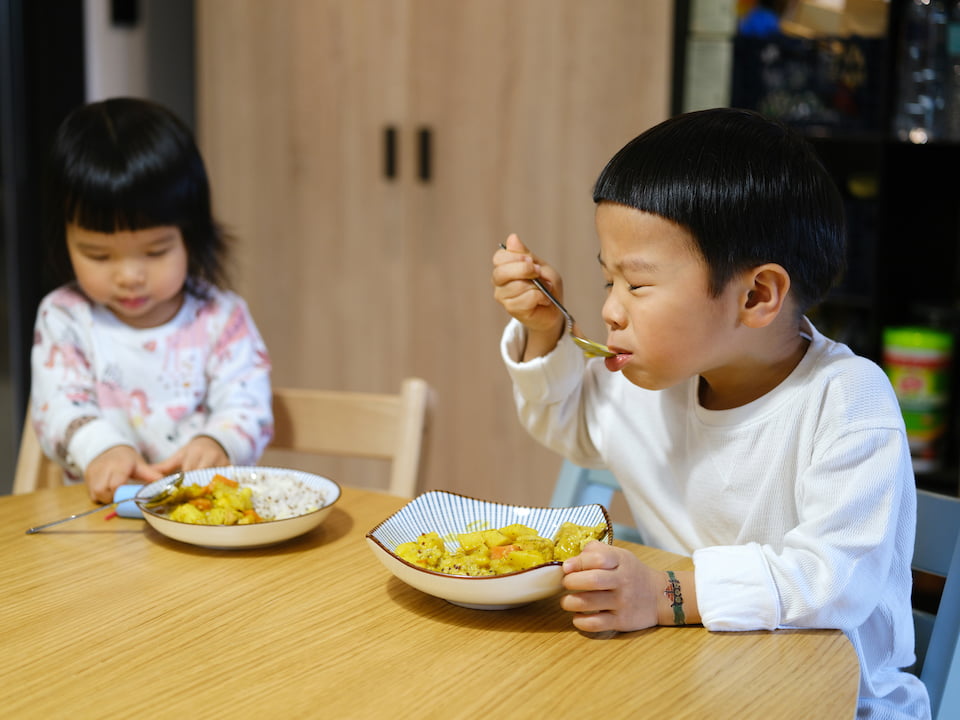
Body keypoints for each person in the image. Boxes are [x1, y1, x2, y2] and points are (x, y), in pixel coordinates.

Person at [492, 107, 928, 719]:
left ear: (755, 296)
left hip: (837, 701)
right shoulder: (649, 381)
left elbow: (834, 579)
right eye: (607, 281)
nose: (612, 312)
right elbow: (570, 425)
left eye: (637, 286)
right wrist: (544, 333)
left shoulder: (846, 399)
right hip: (696, 675)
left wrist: (667, 594)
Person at [31, 97, 274, 504]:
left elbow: (246, 404)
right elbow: (58, 408)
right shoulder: (64, 318)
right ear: (64, 242)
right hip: (100, 521)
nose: (129, 276)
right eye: (98, 255)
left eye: (155, 252)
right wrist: (101, 449)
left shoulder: (221, 318)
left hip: (200, 513)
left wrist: (220, 441)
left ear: (191, 237)